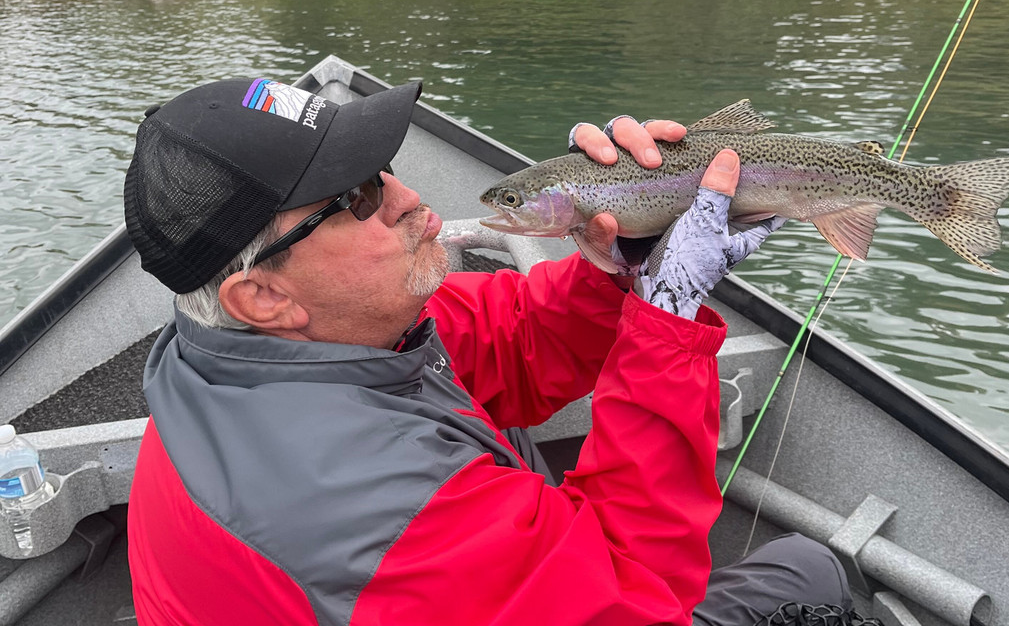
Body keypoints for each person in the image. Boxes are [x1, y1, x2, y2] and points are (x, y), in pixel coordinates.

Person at [123, 76, 852, 626]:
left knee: (806, 570)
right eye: (353, 202)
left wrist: (623, 266)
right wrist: (666, 319)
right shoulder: (363, 508)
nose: (408, 199)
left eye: (380, 170)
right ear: (264, 297)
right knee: (811, 573)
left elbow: (519, 344)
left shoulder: (311, 343)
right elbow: (634, 598)